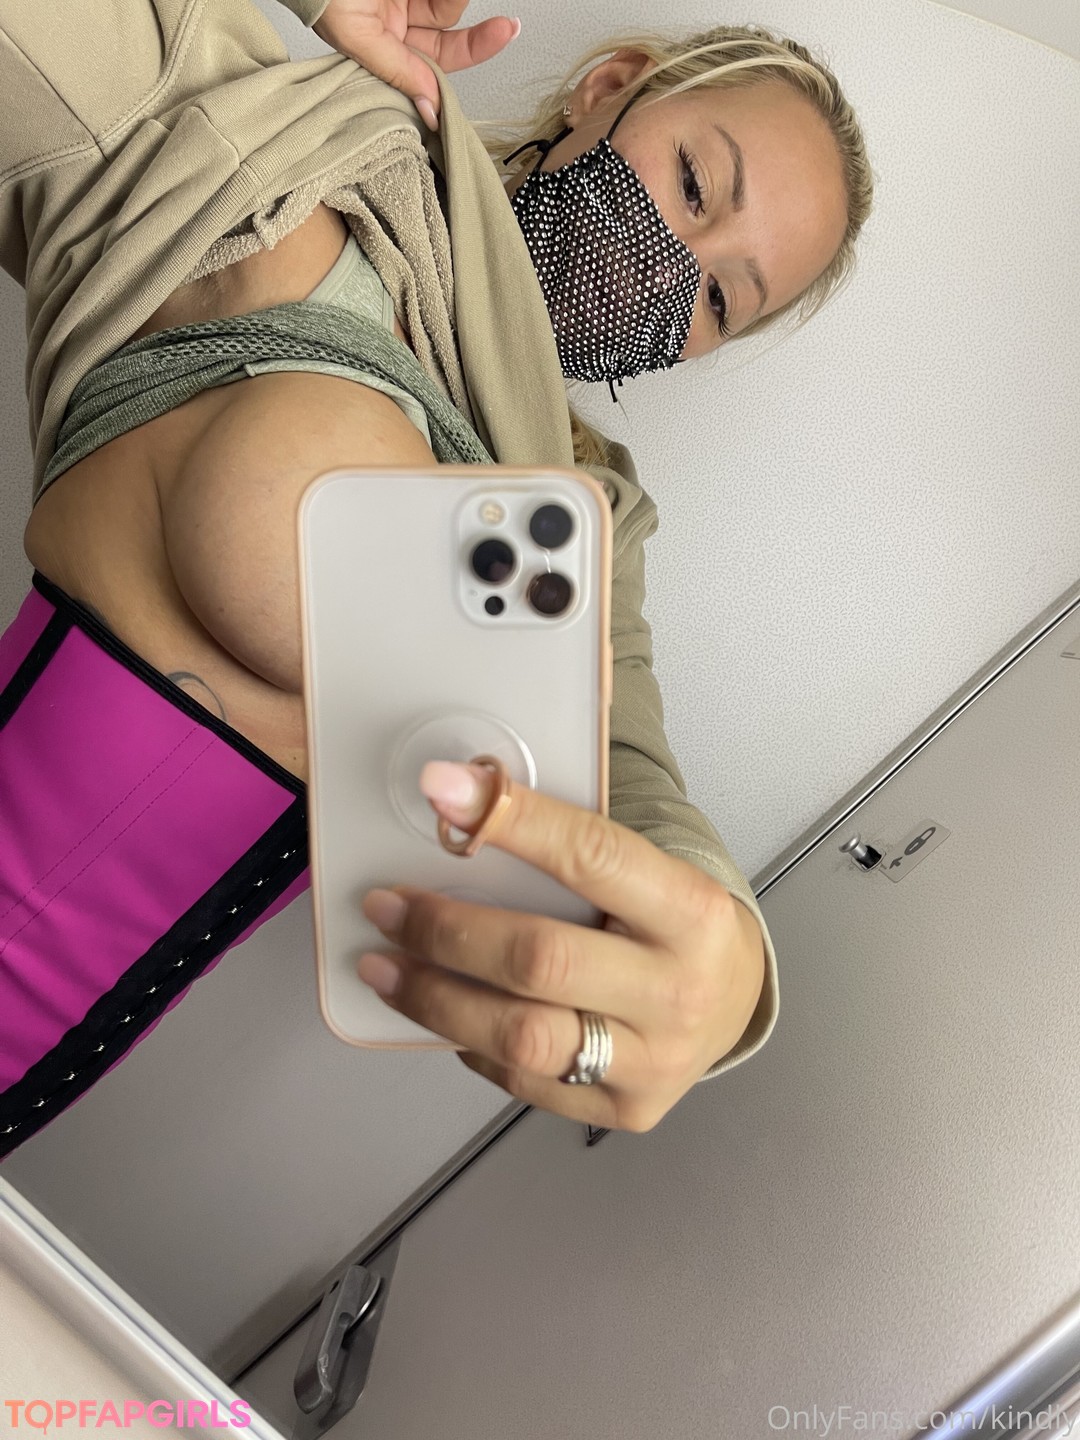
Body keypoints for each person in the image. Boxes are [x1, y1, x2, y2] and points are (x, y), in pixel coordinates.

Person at [0, 0, 872, 1158]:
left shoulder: (586, 513)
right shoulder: (256, 128)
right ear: (610, 87)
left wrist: (725, 966)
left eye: (717, 299)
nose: (668, 269)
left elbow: (632, 783)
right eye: (694, 187)